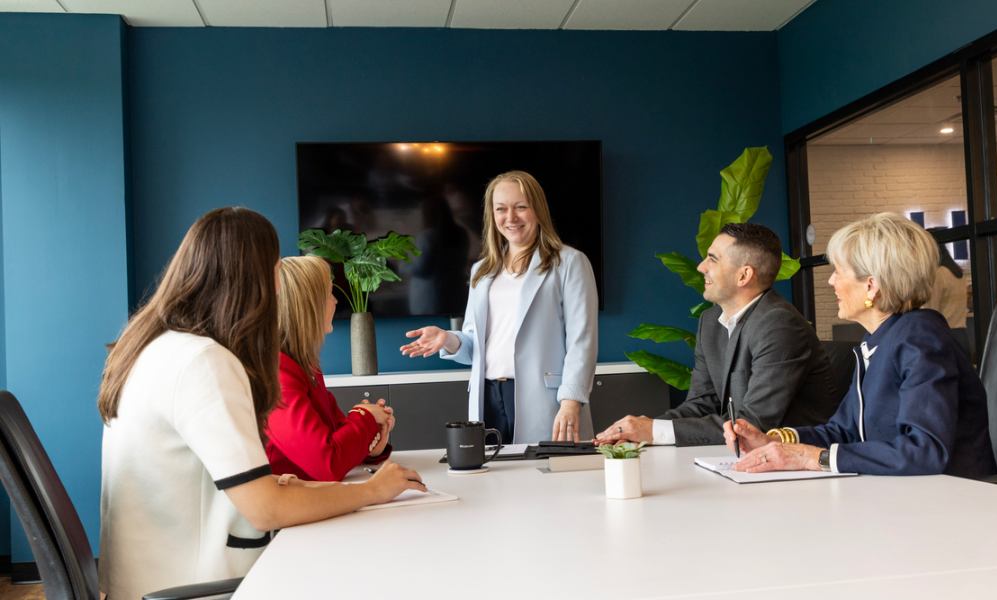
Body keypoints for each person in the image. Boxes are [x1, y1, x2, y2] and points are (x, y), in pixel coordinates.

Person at [98, 208, 425, 600]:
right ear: (254, 280)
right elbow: (266, 509)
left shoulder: (153, 347)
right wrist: (374, 491)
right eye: (274, 270)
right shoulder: (204, 362)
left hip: (153, 578)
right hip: (201, 586)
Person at [724, 213, 997, 479]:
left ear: (871, 286)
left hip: (954, 505)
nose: (831, 281)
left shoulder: (920, 337)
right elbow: (843, 431)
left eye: (839, 271)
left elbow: (924, 450)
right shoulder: (879, 339)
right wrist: (774, 440)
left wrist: (812, 458)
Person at [595, 223, 839, 447]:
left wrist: (654, 431)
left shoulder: (779, 324)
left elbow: (753, 424)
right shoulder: (710, 321)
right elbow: (701, 404)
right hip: (745, 459)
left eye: (713, 260)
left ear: (744, 275)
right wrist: (639, 433)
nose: (701, 267)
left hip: (799, 465)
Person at [400, 171, 599, 444]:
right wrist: (448, 339)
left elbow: (582, 342)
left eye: (521, 207)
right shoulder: (482, 270)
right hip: (487, 398)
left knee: (547, 481)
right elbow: (473, 347)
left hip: (546, 400)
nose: (511, 218)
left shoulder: (570, 263)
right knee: (495, 481)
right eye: (501, 209)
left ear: (537, 209)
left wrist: (570, 403)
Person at [264, 255, 396, 481]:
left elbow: (337, 438)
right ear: (308, 306)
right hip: (292, 504)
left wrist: (372, 446)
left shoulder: (306, 366)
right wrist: (365, 416)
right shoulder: (277, 375)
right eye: (328, 294)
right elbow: (328, 464)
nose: (335, 301)